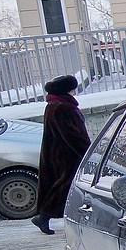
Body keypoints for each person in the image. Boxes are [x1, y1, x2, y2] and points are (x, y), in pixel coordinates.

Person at [31, 75, 90, 235]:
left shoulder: (55, 104)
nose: (74, 92)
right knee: (66, 186)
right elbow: (71, 135)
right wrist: (88, 151)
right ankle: (44, 215)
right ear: (66, 90)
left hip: (59, 153)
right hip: (67, 155)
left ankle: (48, 215)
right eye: (72, 89)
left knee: (65, 185)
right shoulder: (62, 107)